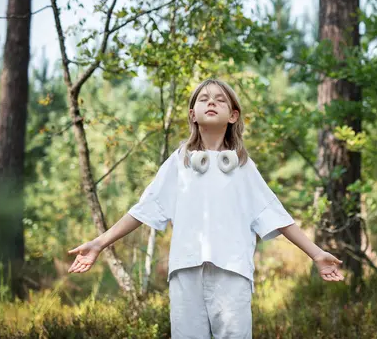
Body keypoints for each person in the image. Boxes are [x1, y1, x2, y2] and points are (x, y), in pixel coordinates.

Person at [67, 78, 345, 338]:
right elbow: (143, 209)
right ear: (192, 114)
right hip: (186, 270)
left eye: (220, 100)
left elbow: (275, 214)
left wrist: (317, 254)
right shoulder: (180, 162)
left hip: (233, 273)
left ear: (233, 115)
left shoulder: (243, 168)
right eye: (204, 99)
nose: (211, 102)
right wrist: (99, 243)